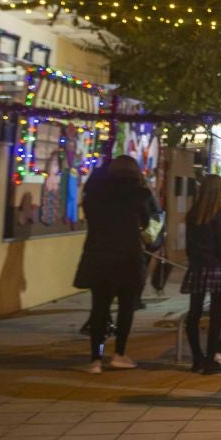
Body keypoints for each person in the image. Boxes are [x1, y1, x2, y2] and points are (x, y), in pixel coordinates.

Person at [75, 155, 152, 373]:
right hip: (128, 257)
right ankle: (119, 353)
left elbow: (89, 212)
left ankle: (96, 358)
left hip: (99, 257)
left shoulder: (96, 196)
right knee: (126, 308)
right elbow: (146, 222)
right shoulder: (139, 195)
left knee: (99, 309)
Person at [181, 175, 221, 374]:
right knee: (216, 315)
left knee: (194, 313)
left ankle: (197, 358)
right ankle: (210, 358)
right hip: (217, 268)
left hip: (198, 267)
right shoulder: (220, 216)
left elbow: (188, 246)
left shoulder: (193, 215)